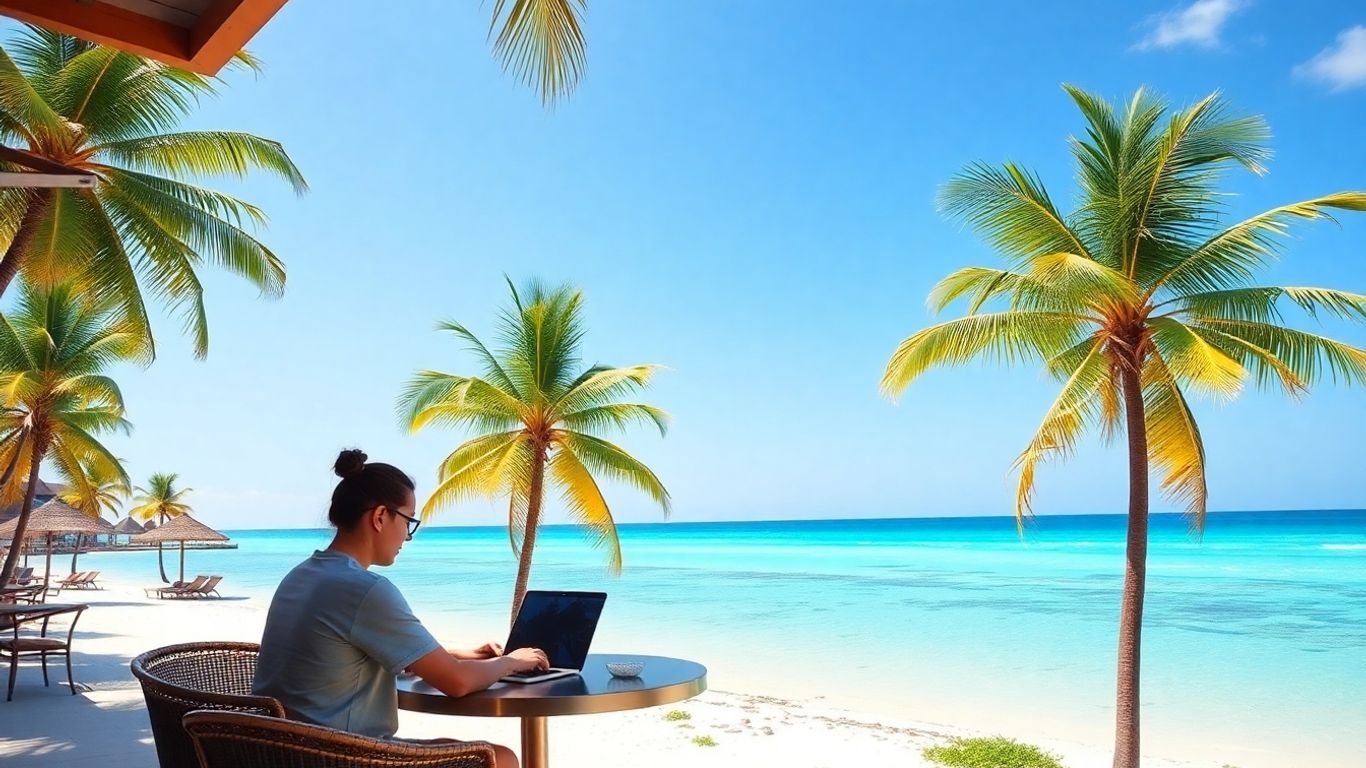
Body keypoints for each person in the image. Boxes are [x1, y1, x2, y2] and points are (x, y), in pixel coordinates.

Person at [254, 448, 547, 767]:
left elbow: (350, 650)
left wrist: (464, 653)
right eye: (409, 521)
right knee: (500, 759)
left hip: (281, 752)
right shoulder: (364, 589)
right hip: (344, 757)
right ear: (380, 517)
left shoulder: (300, 576)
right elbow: (457, 682)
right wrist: (512, 661)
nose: (407, 537)